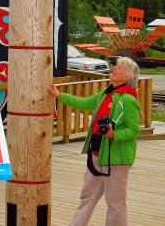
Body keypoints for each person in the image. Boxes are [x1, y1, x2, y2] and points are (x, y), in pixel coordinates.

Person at [49, 56, 141, 226]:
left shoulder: (129, 100)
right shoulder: (106, 93)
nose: (114, 68)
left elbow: (134, 130)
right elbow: (84, 103)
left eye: (119, 67)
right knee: (87, 199)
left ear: (128, 76)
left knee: (115, 204)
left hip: (116, 159)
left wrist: (114, 135)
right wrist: (60, 96)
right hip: (97, 154)